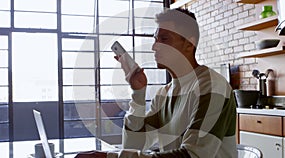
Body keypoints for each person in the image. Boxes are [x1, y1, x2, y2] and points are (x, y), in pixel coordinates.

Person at [76, 8, 237, 158]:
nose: (154, 46)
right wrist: (138, 93)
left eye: (164, 39)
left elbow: (193, 155)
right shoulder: (163, 94)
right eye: (155, 39)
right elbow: (134, 144)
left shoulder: (212, 86)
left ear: (189, 43)